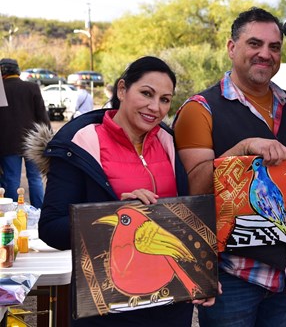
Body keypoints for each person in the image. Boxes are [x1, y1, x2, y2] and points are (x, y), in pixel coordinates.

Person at [30, 56, 214, 326]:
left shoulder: (170, 144)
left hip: (170, 306)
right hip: (108, 310)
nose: (155, 107)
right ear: (121, 90)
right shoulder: (80, 145)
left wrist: (201, 277)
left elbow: (183, 222)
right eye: (146, 93)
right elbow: (50, 229)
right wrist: (114, 213)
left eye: (165, 99)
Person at [173, 7, 286, 327]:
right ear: (231, 47)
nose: (265, 54)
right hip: (232, 276)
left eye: (274, 47)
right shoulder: (201, 109)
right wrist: (243, 149)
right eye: (255, 44)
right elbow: (194, 192)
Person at [0, 58, 49, 209]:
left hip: (7, 142)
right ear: (17, 71)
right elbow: (42, 116)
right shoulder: (31, 87)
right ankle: (38, 210)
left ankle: (13, 211)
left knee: (12, 179)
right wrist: (47, 139)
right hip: (32, 142)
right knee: (35, 178)